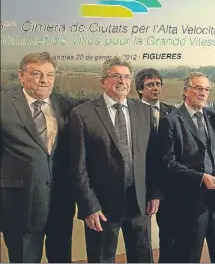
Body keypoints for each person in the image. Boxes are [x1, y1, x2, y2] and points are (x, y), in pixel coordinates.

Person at [69, 56, 158, 263]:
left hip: (139, 204)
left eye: (127, 76)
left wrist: (154, 193)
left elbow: (153, 158)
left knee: (142, 258)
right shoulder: (83, 114)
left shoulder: (144, 111)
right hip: (102, 206)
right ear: (103, 81)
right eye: (116, 76)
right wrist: (89, 205)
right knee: (101, 258)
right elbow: (78, 166)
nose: (122, 81)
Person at [0, 52, 76, 262]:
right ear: (21, 76)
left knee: (61, 257)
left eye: (50, 75)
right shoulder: (4, 105)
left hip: (60, 202)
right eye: (37, 73)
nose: (44, 80)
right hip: (20, 204)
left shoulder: (67, 106)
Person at [158, 72, 215, 263]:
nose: (203, 93)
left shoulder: (214, 118)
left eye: (206, 89)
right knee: (188, 255)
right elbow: (168, 163)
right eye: (198, 88)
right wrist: (200, 178)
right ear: (186, 91)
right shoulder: (171, 121)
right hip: (189, 202)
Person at [135, 68, 175, 263]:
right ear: (140, 89)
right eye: (150, 84)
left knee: (169, 234)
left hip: (170, 184)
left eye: (158, 84)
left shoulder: (173, 112)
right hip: (142, 183)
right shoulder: (132, 112)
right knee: (142, 239)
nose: (155, 88)